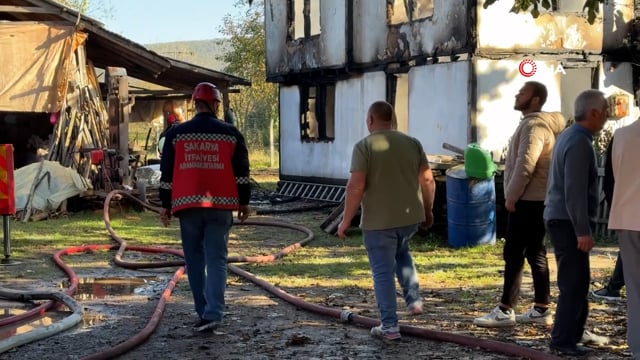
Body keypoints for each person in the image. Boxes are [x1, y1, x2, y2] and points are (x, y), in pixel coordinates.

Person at [336, 100, 435, 341]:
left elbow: (355, 186)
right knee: (402, 253)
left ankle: (389, 326)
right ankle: (414, 300)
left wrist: (345, 220)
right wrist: (428, 210)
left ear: (370, 120)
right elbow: (427, 180)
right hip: (410, 218)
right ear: (392, 120)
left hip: (379, 222)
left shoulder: (364, 146)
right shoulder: (412, 143)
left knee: (382, 273)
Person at [159, 82, 251, 332]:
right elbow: (242, 172)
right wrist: (244, 201)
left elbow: (166, 174)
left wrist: (165, 205)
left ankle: (202, 311)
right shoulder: (231, 133)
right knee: (217, 259)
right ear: (213, 104)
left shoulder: (176, 135)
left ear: (195, 104)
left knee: (195, 260)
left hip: (186, 206)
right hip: (220, 207)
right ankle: (213, 313)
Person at [473, 81, 565, 328]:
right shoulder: (535, 124)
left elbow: (526, 164)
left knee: (513, 253)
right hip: (538, 200)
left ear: (535, 99)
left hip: (527, 200)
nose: (516, 95)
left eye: (522, 92)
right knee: (536, 252)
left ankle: (505, 310)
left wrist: (511, 196)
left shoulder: (534, 126)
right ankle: (541, 307)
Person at [543, 89, 608, 356]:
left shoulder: (569, 136)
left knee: (577, 282)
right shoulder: (580, 142)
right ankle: (563, 341)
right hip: (568, 221)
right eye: (604, 111)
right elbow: (575, 190)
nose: (607, 116)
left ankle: (570, 336)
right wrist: (582, 229)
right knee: (574, 285)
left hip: (560, 217)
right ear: (593, 113)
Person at [607, 119, 640, 359]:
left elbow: (610, 181)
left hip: (628, 217)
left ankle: (638, 345)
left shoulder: (620, 135)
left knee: (635, 288)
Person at [592, 136, 625, 301]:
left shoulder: (622, 137)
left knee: (628, 250)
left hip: (629, 210)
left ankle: (614, 287)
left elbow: (609, 180)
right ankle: (614, 287)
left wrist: (616, 207)